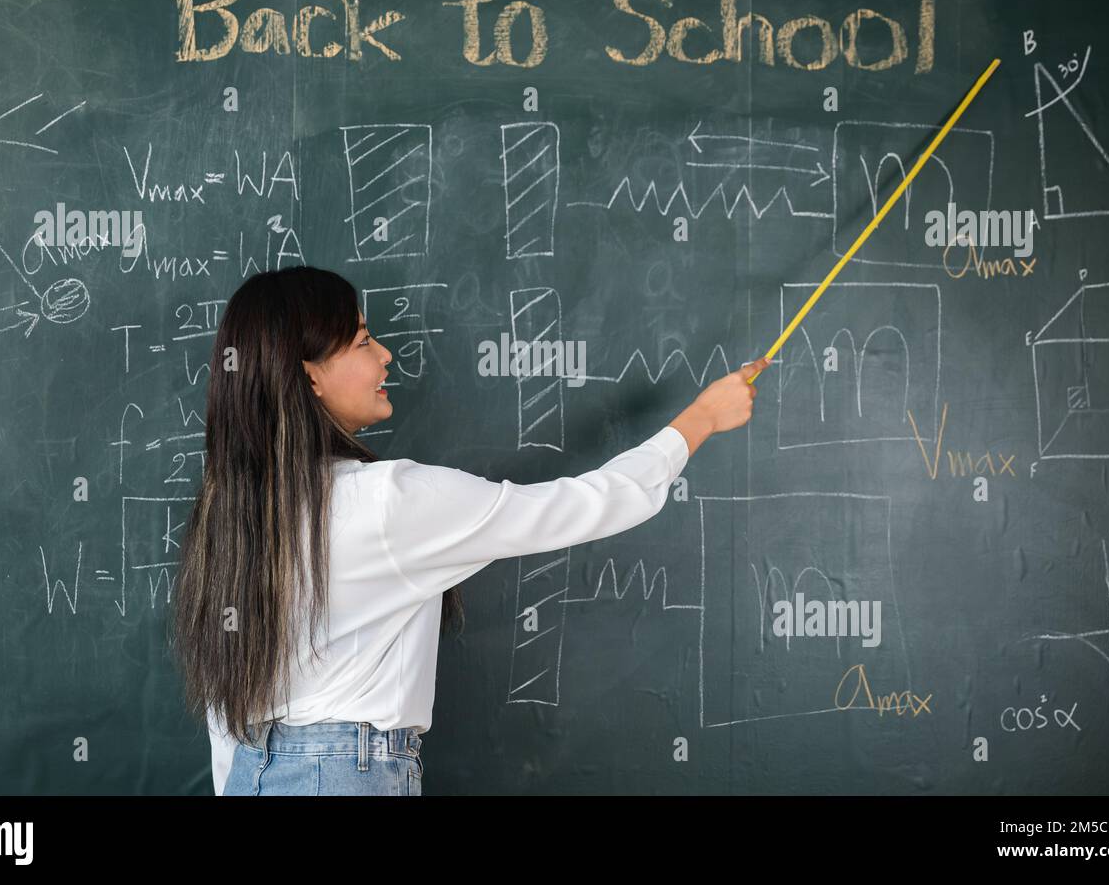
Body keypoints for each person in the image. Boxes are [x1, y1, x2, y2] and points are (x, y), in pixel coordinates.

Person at [170, 266, 771, 795]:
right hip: (342, 775)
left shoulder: (231, 511)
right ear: (309, 378)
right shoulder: (385, 502)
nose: (385, 355)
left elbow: (230, 711)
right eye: (361, 341)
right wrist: (700, 420)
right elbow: (586, 505)